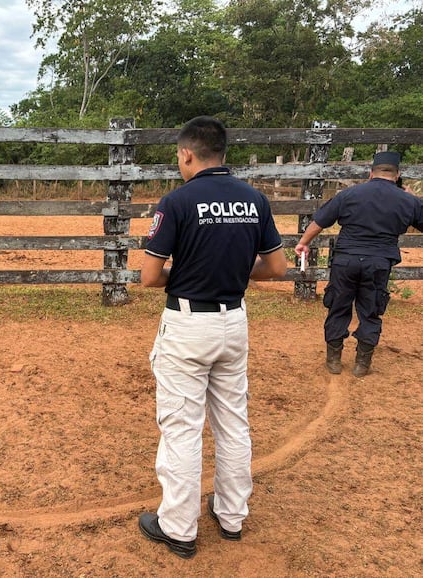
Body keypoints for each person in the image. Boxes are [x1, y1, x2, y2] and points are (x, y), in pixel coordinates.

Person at [137, 116, 287, 559]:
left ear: (187, 154)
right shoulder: (254, 200)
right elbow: (277, 269)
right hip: (233, 320)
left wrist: (184, 273)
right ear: (222, 153)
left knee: (182, 426)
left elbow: (148, 277)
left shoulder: (178, 201)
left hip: (188, 324)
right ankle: (231, 513)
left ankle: (178, 526)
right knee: (233, 420)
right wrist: (239, 273)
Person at [295, 151, 423, 377]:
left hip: (346, 260)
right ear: (397, 175)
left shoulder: (350, 193)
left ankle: (334, 359)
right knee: (371, 309)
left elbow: (320, 221)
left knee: (338, 304)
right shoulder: (408, 201)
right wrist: (416, 200)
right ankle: (362, 364)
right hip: (379, 262)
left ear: (371, 173)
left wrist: (304, 243)